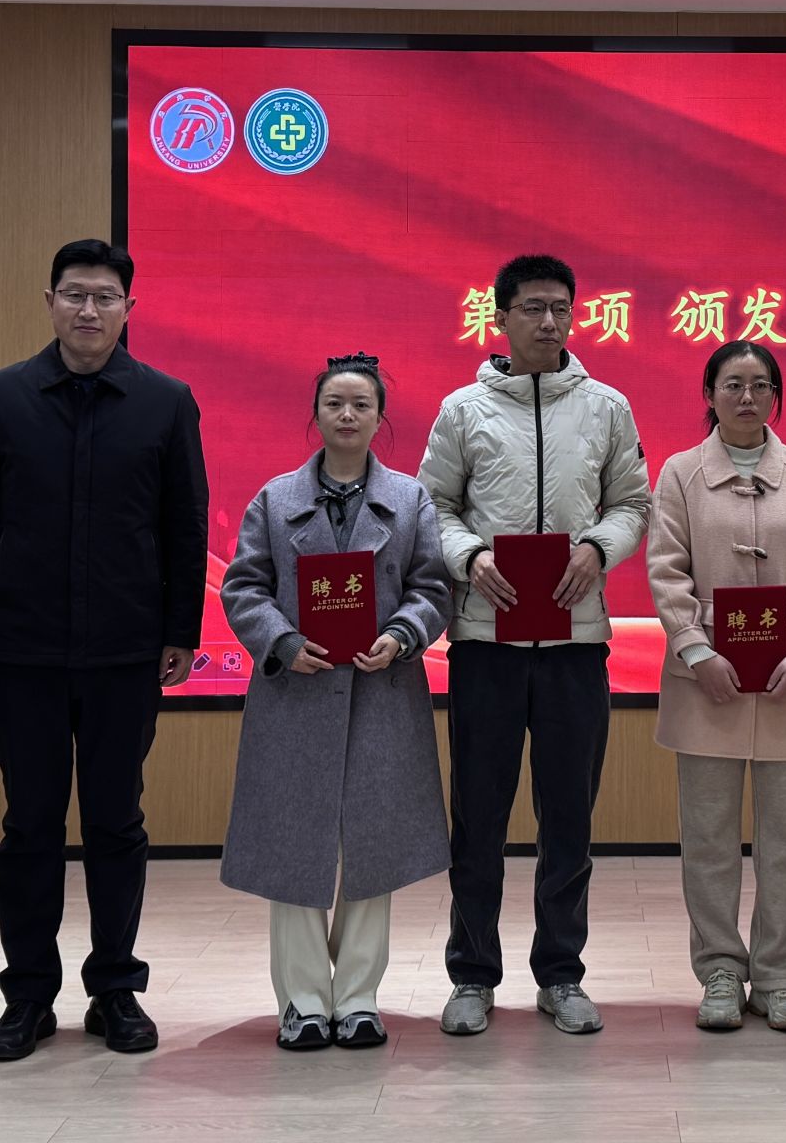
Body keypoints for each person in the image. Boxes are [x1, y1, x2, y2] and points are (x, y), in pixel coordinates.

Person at [0, 239, 207, 1062]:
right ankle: (27, 997)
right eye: (74, 294)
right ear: (49, 301)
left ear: (130, 308)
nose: (89, 309)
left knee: (116, 821)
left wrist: (181, 632)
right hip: (25, 649)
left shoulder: (166, 402)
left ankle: (115, 990)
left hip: (127, 649)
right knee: (30, 823)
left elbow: (186, 527)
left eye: (105, 296)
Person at [418, 253, 653, 1036]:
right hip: (485, 641)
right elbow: (433, 507)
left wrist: (599, 547)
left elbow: (633, 502)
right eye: (533, 308)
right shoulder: (462, 410)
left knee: (569, 820)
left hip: (576, 644)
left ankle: (561, 974)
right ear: (501, 317)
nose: (549, 322)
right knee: (478, 818)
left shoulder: (607, 407)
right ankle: (472, 975)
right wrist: (469, 558)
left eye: (561, 309)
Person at [219, 355, 453, 1051]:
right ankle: (301, 1002)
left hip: (382, 690)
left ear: (381, 419)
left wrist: (402, 635)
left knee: (374, 846)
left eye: (361, 405)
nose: (347, 415)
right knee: (294, 846)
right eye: (334, 404)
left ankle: (357, 998)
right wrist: (282, 641)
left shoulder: (410, 500)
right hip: (296, 692)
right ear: (316, 414)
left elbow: (433, 588)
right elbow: (243, 587)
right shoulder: (274, 500)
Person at [647, 341, 786, 1033]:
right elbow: (666, 569)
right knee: (708, 838)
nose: (748, 397)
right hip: (706, 680)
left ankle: (782, 977)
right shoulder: (680, 473)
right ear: (709, 394)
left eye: (761, 385)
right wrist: (695, 647)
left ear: (776, 396)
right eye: (733, 384)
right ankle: (721, 973)